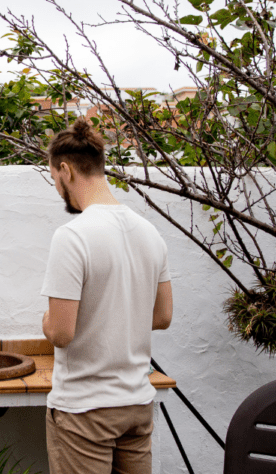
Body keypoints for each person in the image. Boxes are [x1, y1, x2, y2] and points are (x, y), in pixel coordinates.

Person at [40, 118, 174, 474]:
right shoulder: (150, 233)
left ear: (65, 170)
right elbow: (162, 317)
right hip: (137, 406)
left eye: (54, 179)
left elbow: (62, 333)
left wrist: (46, 321)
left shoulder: (73, 236)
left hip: (86, 410)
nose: (57, 188)